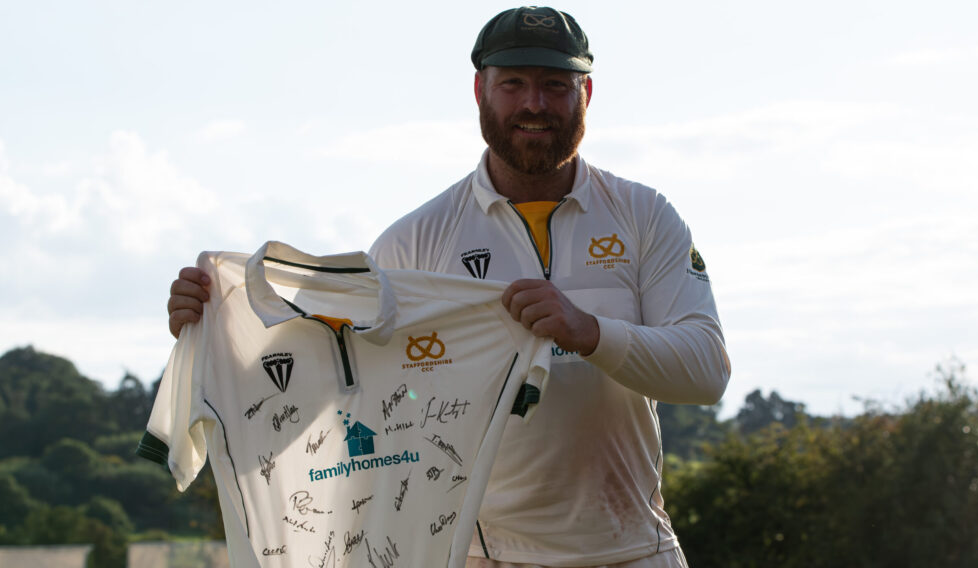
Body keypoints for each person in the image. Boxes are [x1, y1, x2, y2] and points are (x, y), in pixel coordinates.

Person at [167, 6, 730, 568]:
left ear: (587, 93)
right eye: (514, 84)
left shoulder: (643, 215)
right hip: (484, 556)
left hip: (635, 550)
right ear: (480, 90)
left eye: (555, 86)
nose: (535, 104)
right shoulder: (416, 242)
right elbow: (336, 393)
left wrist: (588, 332)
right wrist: (215, 327)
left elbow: (707, 371)